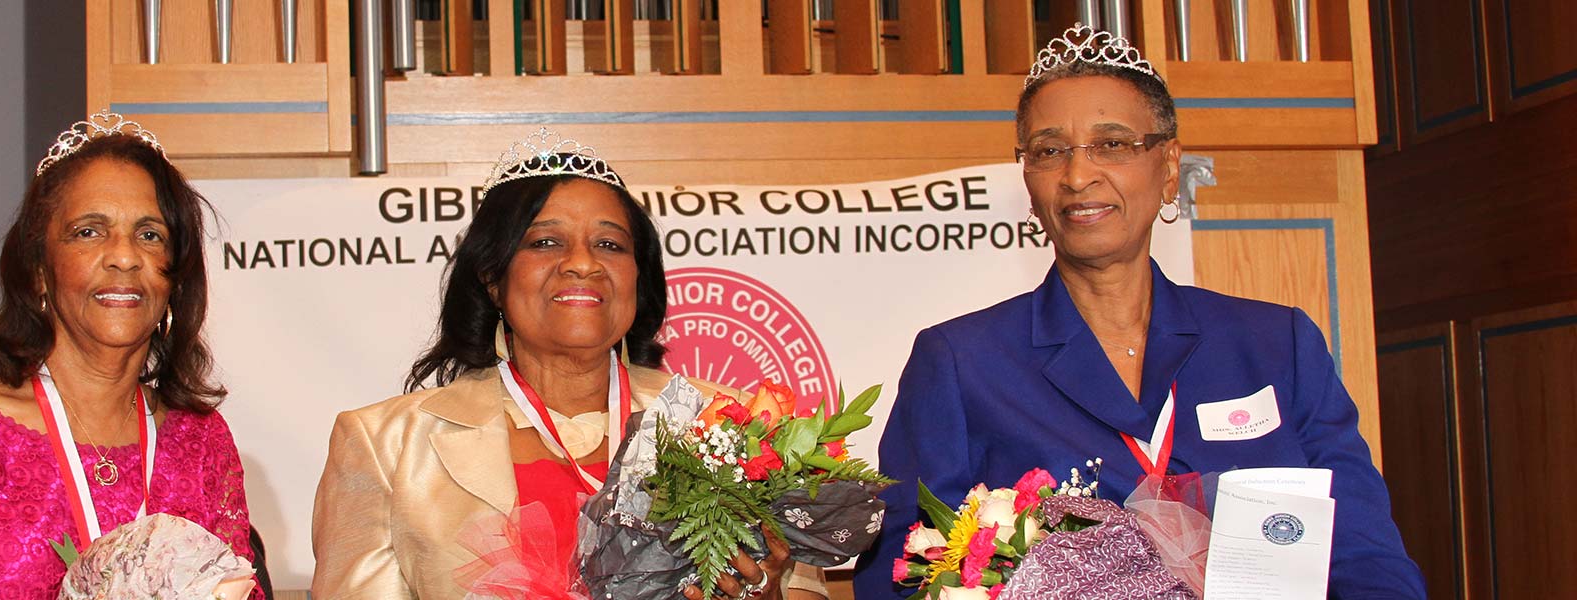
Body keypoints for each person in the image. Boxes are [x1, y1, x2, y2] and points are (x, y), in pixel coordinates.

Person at [852, 25, 1425, 598]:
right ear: (1027, 178)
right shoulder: (962, 363)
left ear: (1170, 166)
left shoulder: (1277, 345)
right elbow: (900, 575)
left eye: (1113, 144)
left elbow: (1363, 553)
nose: (1078, 176)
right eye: (1050, 151)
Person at [311, 129, 826, 600]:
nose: (583, 263)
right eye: (545, 242)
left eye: (609, 244)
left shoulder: (735, 424)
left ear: (636, 279)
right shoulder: (384, 446)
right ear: (493, 276)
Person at [0, 114, 260, 599]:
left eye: (150, 234)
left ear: (174, 279)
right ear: (39, 270)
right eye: (89, 232)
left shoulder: (201, 443)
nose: (124, 256)